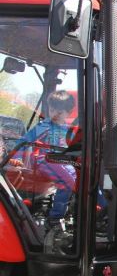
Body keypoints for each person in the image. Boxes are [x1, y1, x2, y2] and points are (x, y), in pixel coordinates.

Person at [10, 91, 78, 226]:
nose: (55, 114)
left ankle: (79, 211)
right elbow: (24, 141)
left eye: (60, 112)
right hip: (45, 160)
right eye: (53, 110)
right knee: (67, 182)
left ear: (69, 112)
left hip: (62, 162)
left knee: (81, 175)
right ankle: (55, 217)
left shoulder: (69, 129)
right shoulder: (44, 126)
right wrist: (16, 158)